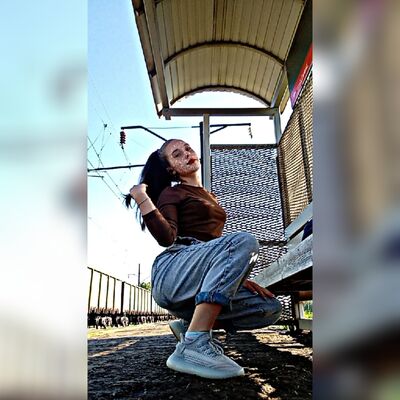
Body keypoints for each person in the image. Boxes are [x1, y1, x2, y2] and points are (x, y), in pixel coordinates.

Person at [126, 139, 282, 379]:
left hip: (200, 272)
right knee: (245, 241)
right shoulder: (173, 192)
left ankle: (189, 325)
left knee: (269, 308)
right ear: (171, 170)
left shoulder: (210, 196)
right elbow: (167, 238)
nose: (187, 154)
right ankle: (194, 343)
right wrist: (141, 197)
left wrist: (235, 277)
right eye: (177, 154)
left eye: (188, 148)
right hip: (175, 271)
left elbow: (214, 249)